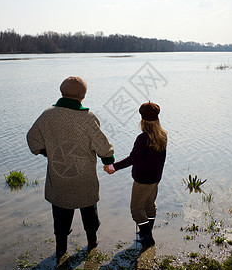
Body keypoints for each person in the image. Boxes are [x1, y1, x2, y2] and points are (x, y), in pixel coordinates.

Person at [27, 76, 115, 263]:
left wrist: (49, 153)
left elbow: (32, 139)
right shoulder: (88, 118)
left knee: (61, 214)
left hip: (59, 179)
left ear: (62, 92)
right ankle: (92, 243)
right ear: (83, 96)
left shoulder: (47, 115)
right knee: (89, 212)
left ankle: (60, 250)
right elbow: (103, 146)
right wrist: (108, 160)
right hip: (84, 178)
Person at [104, 101, 167, 246]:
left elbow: (132, 159)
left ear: (142, 119)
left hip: (143, 180)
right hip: (156, 178)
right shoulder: (163, 135)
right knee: (150, 205)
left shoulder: (143, 138)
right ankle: (146, 231)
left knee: (136, 209)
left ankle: (148, 237)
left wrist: (113, 167)